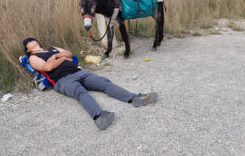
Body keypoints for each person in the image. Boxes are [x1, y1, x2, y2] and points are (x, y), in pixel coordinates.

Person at [23, 38, 158, 130]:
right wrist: (61, 57)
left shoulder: (51, 48)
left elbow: (69, 53)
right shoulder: (33, 58)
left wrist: (60, 56)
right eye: (28, 42)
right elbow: (48, 67)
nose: (32, 41)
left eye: (33, 39)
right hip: (62, 81)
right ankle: (99, 116)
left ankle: (134, 98)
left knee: (104, 83)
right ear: (28, 50)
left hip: (78, 72)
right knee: (80, 92)